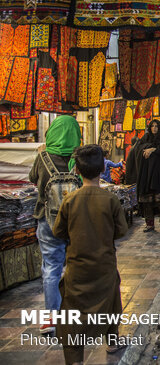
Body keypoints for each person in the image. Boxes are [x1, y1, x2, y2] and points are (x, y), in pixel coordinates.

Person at [53, 145, 128, 365]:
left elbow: (58, 232)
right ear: (102, 169)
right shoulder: (110, 199)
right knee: (112, 303)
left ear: (77, 170)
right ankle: (112, 342)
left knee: (72, 315)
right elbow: (121, 231)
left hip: (77, 269)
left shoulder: (70, 200)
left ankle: (75, 360)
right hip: (104, 266)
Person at [28, 115, 82, 334]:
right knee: (76, 266)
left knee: (51, 268)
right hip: (75, 221)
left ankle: (51, 318)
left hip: (47, 220)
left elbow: (33, 179)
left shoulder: (43, 157)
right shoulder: (78, 158)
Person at [135, 120, 160, 233]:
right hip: (146, 173)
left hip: (158, 174)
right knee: (147, 200)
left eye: (156, 126)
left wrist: (153, 149)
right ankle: (149, 224)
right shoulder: (145, 138)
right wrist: (148, 149)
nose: (154, 128)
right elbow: (138, 149)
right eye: (152, 126)